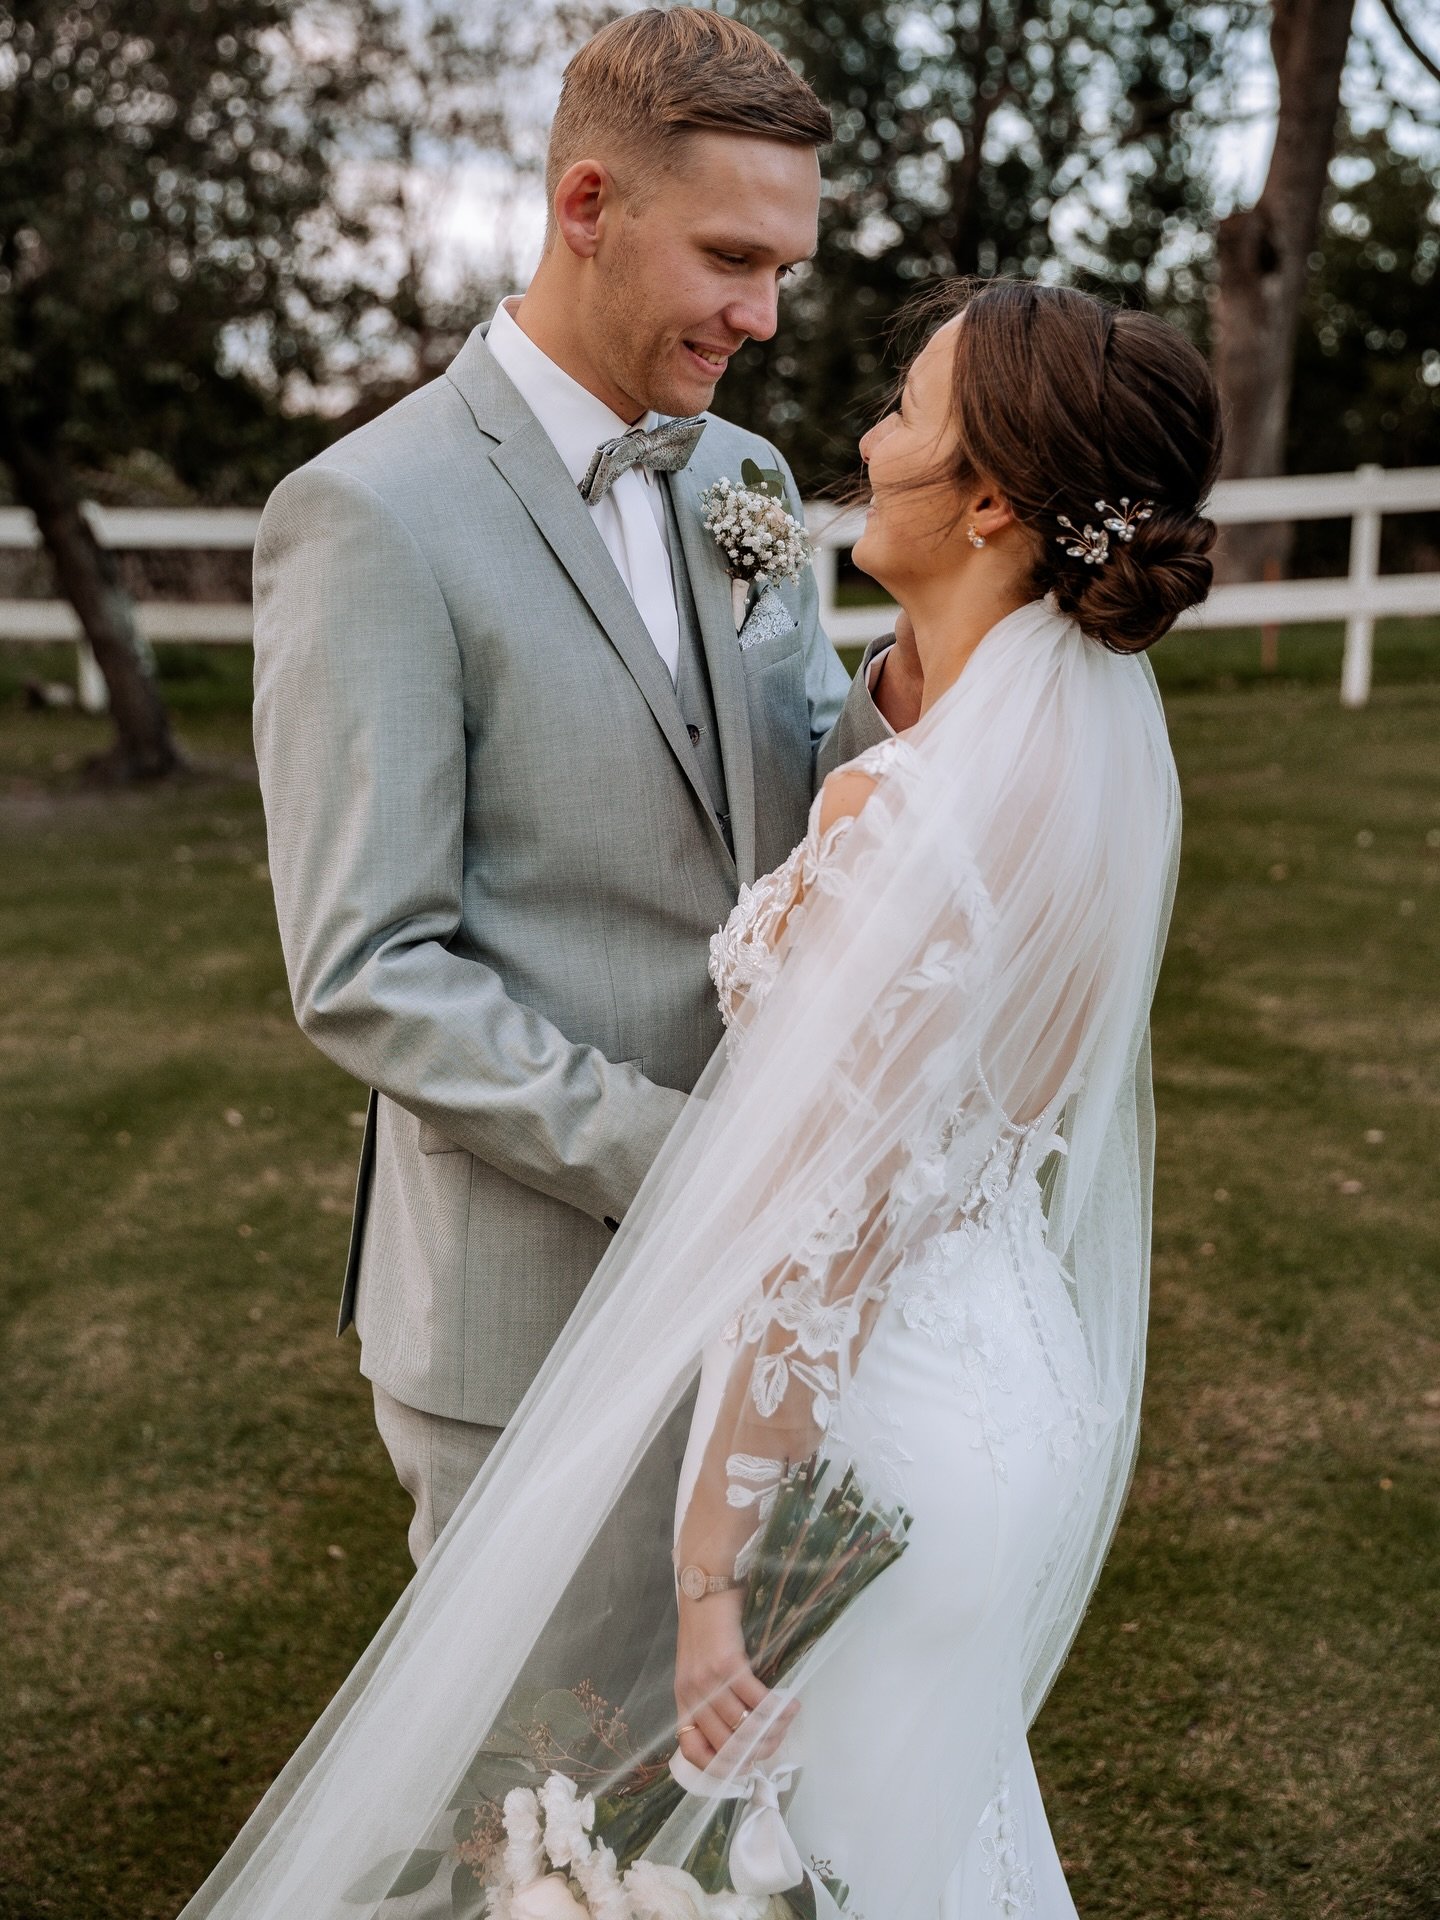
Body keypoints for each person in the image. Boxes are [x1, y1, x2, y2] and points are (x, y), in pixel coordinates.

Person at [182, 278, 1221, 1920]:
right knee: (917, 1847)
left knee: (726, 1859)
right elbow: (372, 959)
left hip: (852, 1433)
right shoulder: (1059, 766)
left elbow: (826, 1228)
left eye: (904, 409)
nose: (858, 431)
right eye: (739, 253)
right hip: (1002, 1394)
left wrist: (708, 1570)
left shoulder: (916, 806)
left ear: (993, 502)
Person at [251, 8, 919, 1567]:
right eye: (731, 260)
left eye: (783, 273)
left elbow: (808, 790)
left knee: (739, 1776)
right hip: (526, 1308)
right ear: (587, 208)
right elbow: (368, 970)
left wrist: (938, 677)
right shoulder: (367, 515)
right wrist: (692, 1169)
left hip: (769, 1308)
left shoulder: (741, 479)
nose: (761, 315)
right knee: (536, 1800)